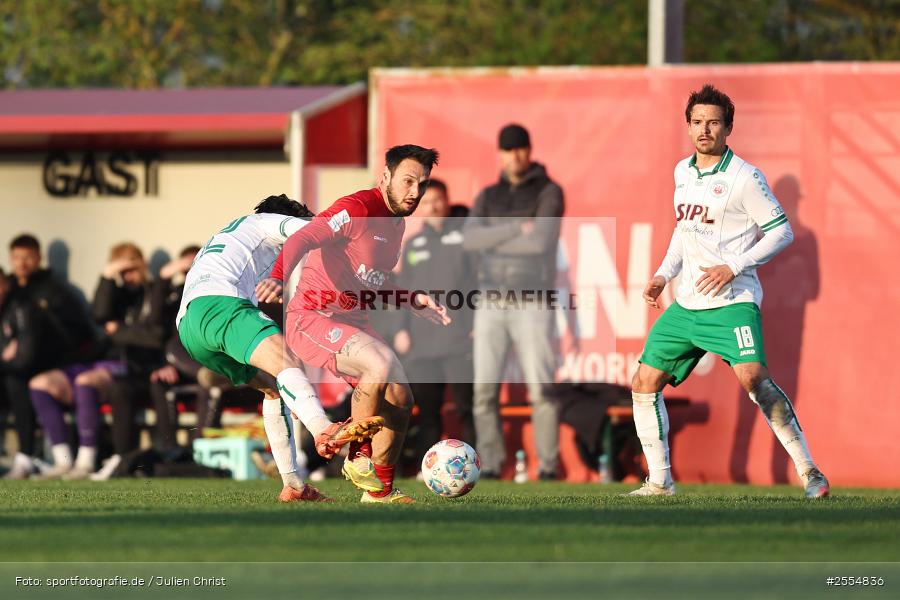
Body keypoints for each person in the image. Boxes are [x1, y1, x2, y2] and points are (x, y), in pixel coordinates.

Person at [629, 84, 829, 498]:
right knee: (643, 382)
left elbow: (782, 233)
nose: (705, 130)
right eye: (698, 122)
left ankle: (810, 472)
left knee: (755, 379)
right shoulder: (681, 172)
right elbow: (684, 234)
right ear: (688, 126)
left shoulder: (745, 178)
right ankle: (660, 482)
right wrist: (663, 275)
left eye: (714, 122)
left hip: (732, 303)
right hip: (687, 305)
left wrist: (734, 266)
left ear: (728, 128)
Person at [258, 144, 450, 504]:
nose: (415, 192)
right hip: (313, 318)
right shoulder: (357, 208)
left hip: (353, 320)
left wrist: (411, 299)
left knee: (400, 398)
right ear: (386, 177)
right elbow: (303, 236)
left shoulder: (395, 223)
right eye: (408, 181)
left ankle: (378, 492)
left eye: (422, 184)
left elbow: (371, 278)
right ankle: (356, 456)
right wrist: (278, 276)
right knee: (378, 362)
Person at [177, 194, 385, 502]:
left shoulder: (233, 233)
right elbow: (314, 232)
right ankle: (323, 429)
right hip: (220, 304)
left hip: (189, 326)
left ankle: (294, 486)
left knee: (275, 388)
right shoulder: (267, 222)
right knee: (288, 361)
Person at [462, 123, 564, 480]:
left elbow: (539, 242)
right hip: (490, 301)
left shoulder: (549, 191)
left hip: (532, 302)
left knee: (542, 390)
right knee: (483, 392)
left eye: (521, 148)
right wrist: (513, 228)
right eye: (509, 149)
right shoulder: (488, 195)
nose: (516, 155)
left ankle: (549, 467)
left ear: (529, 150)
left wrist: (495, 236)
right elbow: (470, 240)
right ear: (500, 154)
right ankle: (490, 464)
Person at [394, 178, 476, 467]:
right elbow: (403, 291)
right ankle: (427, 468)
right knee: (428, 411)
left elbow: (478, 282)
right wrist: (401, 329)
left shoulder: (466, 238)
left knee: (467, 408)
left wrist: (476, 322)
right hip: (422, 343)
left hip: (459, 338)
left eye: (438, 199)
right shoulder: (414, 244)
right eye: (427, 201)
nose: (433, 206)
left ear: (448, 200)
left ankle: (475, 465)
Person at [2, 234, 97, 479]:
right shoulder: (8, 290)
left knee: (18, 382)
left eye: (28, 257)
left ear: (39, 257)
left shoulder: (55, 291)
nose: (22, 263)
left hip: (52, 365)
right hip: (16, 364)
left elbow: (78, 333)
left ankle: (26, 457)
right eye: (17, 257)